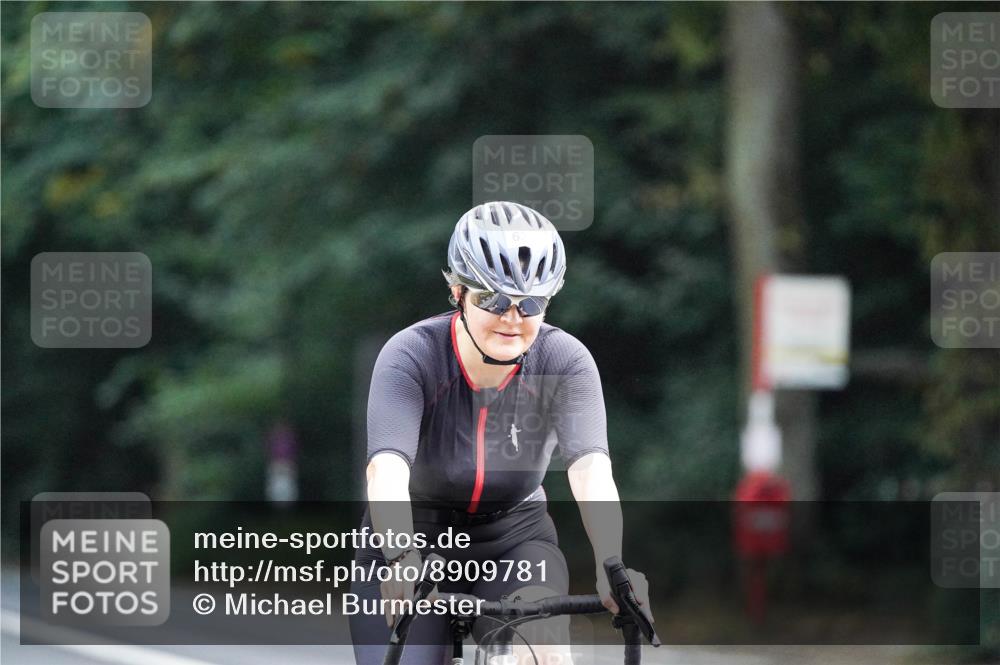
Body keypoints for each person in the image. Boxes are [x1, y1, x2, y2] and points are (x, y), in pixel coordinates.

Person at [350, 201, 650, 665]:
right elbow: (385, 470)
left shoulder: (564, 361)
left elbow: (591, 469)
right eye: (492, 299)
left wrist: (612, 564)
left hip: (514, 539)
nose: (512, 318)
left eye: (531, 304)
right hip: (414, 537)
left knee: (542, 649)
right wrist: (398, 555)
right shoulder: (411, 355)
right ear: (457, 291)